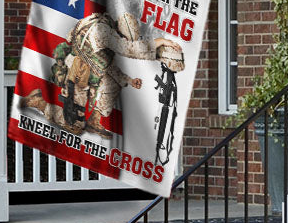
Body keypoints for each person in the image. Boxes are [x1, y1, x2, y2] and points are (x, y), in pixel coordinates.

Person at [21, 11, 183, 137]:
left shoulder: (108, 28)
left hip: (90, 66)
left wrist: (129, 80)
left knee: (115, 83)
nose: (125, 40)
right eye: (125, 37)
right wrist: (159, 42)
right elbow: (130, 49)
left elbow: (107, 64)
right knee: (74, 126)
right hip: (78, 71)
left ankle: (94, 120)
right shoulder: (104, 31)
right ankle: (38, 102)